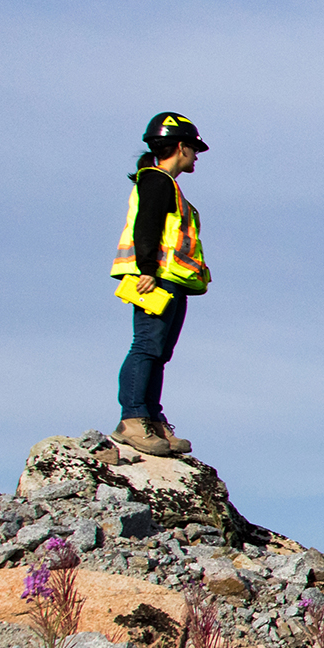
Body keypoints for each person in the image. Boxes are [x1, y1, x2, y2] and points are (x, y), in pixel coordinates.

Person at [110, 112, 212, 455]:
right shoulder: (156, 180)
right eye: (194, 149)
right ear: (180, 147)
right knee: (146, 347)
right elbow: (147, 226)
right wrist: (148, 269)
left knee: (160, 352)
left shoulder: (167, 184)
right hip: (154, 280)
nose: (196, 156)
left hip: (172, 280)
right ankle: (133, 420)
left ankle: (151, 418)